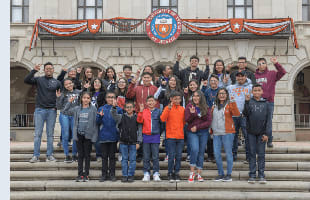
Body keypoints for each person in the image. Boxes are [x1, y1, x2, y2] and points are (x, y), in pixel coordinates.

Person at [24, 62, 61, 163]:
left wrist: (56, 103)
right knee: (38, 134)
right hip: (40, 110)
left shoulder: (57, 82)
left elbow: (60, 97)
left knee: (50, 135)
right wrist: (34, 70)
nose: (49, 70)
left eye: (50, 68)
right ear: (44, 70)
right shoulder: (39, 80)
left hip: (51, 111)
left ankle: (49, 155)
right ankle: (36, 156)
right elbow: (26, 80)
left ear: (53, 70)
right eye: (47, 69)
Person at [62, 91, 98, 182]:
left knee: (87, 155)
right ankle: (80, 174)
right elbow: (64, 111)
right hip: (79, 134)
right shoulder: (77, 109)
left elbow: (95, 123)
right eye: (84, 98)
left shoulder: (93, 109)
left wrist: (94, 136)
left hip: (88, 135)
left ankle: (86, 174)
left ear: (90, 99)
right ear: (81, 99)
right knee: (80, 155)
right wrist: (69, 102)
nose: (86, 100)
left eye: (88, 98)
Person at [126, 72, 159, 162]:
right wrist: (132, 84)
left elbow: (158, 101)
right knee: (140, 134)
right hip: (139, 113)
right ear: (142, 78)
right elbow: (129, 95)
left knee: (151, 134)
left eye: (148, 77)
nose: (146, 79)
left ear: (151, 79)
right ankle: (140, 154)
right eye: (144, 77)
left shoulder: (155, 88)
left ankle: (152, 155)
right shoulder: (137, 88)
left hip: (152, 114)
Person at [255, 57, 286, 148]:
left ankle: (269, 140)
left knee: (268, 122)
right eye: (260, 63)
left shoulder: (272, 74)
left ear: (266, 64)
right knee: (258, 122)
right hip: (258, 102)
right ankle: (260, 139)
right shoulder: (254, 76)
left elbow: (282, 72)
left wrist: (276, 63)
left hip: (269, 102)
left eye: (263, 63)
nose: (261, 65)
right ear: (257, 65)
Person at [243, 84, 271, 184]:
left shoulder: (266, 104)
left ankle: (262, 175)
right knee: (251, 154)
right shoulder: (249, 101)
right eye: (255, 90)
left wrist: (267, 134)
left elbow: (268, 120)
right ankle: (252, 175)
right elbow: (245, 114)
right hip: (251, 133)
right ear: (252, 92)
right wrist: (246, 102)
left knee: (261, 154)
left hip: (261, 134)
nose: (257, 92)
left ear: (262, 92)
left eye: (259, 90)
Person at [210, 88, 240, 182]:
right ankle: (221, 173)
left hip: (227, 133)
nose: (222, 95)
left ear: (226, 95)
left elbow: (236, 113)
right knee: (217, 153)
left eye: (223, 93)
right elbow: (211, 118)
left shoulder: (229, 104)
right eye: (220, 93)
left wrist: (233, 101)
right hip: (216, 134)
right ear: (217, 95)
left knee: (228, 153)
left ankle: (229, 174)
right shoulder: (214, 105)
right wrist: (210, 130)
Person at [111, 101, 142, 183]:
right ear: (125, 108)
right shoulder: (121, 117)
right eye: (127, 107)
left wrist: (139, 142)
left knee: (133, 160)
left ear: (134, 108)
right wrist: (114, 107)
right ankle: (124, 175)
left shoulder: (137, 117)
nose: (129, 109)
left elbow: (139, 130)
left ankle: (131, 175)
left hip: (133, 142)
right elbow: (114, 115)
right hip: (123, 142)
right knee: (124, 159)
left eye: (130, 107)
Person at [185, 90, 212, 182]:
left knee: (201, 152)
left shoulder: (206, 107)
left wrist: (197, 127)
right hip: (192, 132)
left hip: (203, 132)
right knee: (195, 149)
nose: (196, 98)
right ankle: (192, 172)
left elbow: (208, 122)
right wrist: (192, 114)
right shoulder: (189, 106)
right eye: (194, 96)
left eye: (198, 96)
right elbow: (187, 120)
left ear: (201, 97)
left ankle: (199, 173)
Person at [227, 71, 252, 162]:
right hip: (233, 116)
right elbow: (224, 97)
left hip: (245, 116)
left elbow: (253, 100)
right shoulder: (230, 87)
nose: (240, 78)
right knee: (233, 137)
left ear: (246, 77)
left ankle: (249, 157)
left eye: (242, 76)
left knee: (247, 136)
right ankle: (233, 156)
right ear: (236, 77)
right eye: (238, 76)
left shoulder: (250, 87)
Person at [97, 92, 123, 182]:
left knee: (112, 157)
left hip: (113, 135)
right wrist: (99, 117)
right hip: (103, 135)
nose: (110, 99)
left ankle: (112, 174)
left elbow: (120, 122)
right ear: (105, 98)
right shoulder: (101, 108)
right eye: (109, 97)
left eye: (112, 97)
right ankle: (104, 174)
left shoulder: (119, 109)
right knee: (104, 157)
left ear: (115, 99)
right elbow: (97, 122)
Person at [160, 91, 185, 182]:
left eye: (179, 99)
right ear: (171, 99)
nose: (177, 100)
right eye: (175, 99)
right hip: (170, 136)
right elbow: (162, 119)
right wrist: (168, 109)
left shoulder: (182, 109)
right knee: (171, 156)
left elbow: (184, 122)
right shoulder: (167, 108)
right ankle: (170, 173)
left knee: (178, 156)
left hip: (180, 136)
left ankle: (176, 173)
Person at [137, 96, 161, 182]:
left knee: (155, 156)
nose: (151, 103)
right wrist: (140, 111)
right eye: (149, 101)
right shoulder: (144, 111)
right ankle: (146, 173)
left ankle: (156, 173)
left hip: (155, 136)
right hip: (146, 136)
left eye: (152, 101)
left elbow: (161, 124)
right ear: (146, 103)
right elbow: (139, 121)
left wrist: (158, 132)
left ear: (155, 102)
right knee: (146, 156)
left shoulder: (158, 111)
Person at [56, 78, 80, 163]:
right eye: (66, 84)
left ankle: (74, 154)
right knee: (65, 135)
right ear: (64, 86)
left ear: (73, 83)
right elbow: (58, 107)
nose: (68, 85)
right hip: (64, 116)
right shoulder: (63, 94)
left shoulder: (78, 92)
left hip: (74, 116)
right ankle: (66, 155)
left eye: (70, 83)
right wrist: (58, 98)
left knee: (75, 136)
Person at [201, 74, 221, 162]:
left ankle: (217, 155)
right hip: (209, 115)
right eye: (211, 81)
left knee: (218, 137)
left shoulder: (221, 90)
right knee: (210, 137)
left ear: (218, 82)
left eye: (215, 81)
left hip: (220, 116)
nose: (213, 82)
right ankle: (210, 155)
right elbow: (204, 102)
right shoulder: (207, 91)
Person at [89, 78, 106, 161]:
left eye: (99, 82)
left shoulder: (104, 93)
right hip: (89, 117)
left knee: (98, 137)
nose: (97, 84)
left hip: (100, 116)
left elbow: (104, 104)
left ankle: (99, 155)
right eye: (95, 82)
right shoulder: (89, 93)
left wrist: (99, 112)